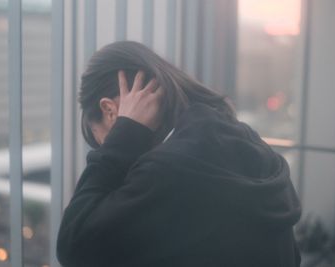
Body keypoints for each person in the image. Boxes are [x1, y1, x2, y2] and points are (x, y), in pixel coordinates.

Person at [56, 41, 302, 267]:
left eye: (103, 142)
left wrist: (125, 136)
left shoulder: (170, 169)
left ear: (110, 111)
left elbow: (75, 247)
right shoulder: (240, 137)